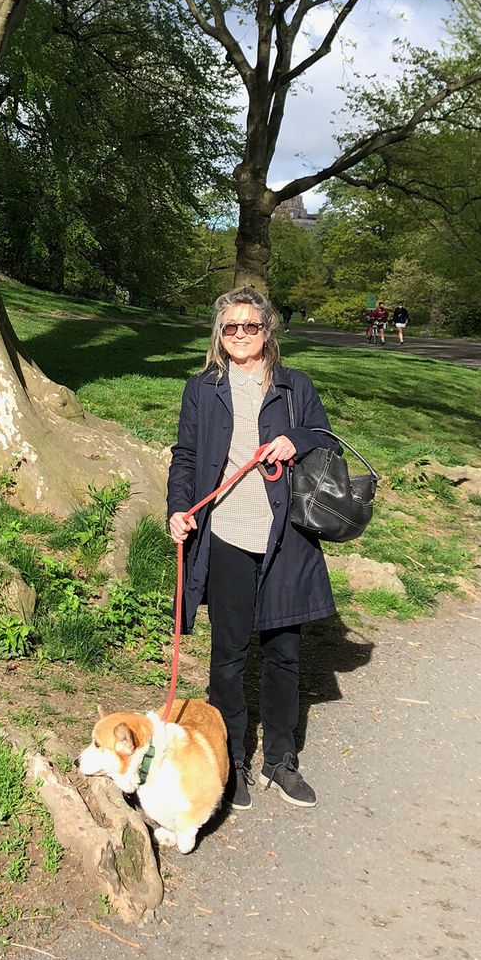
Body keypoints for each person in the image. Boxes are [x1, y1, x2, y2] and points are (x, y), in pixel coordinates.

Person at [168, 288, 338, 812]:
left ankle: (281, 759)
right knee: (229, 655)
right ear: (219, 334)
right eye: (231, 327)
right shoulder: (202, 388)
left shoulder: (294, 386)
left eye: (251, 326)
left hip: (286, 537)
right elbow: (186, 455)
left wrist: (297, 440)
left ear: (268, 331)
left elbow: (326, 439)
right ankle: (231, 758)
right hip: (225, 534)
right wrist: (178, 509)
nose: (240, 335)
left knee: (284, 653)